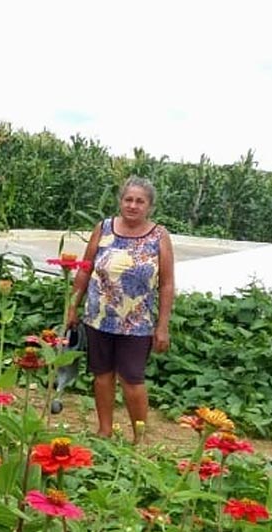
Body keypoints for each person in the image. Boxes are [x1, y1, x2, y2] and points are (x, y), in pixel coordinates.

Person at [66, 176, 175, 440]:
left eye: (140, 201)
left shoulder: (159, 236)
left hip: (137, 322)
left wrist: (162, 326)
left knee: (132, 379)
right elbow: (85, 268)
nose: (133, 205)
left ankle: (139, 438)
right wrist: (72, 306)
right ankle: (104, 431)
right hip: (98, 317)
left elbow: (167, 284)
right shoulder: (103, 228)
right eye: (128, 199)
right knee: (102, 375)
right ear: (121, 201)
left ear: (149, 206)